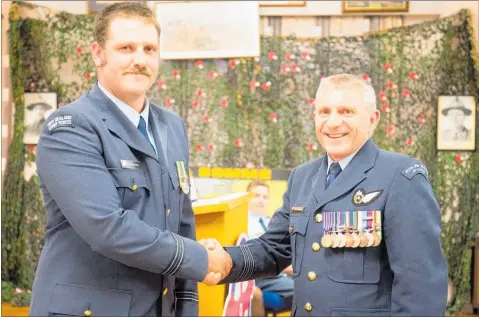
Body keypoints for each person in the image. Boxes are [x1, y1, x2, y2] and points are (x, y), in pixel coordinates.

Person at [30, 2, 230, 316]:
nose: (140, 60)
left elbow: (182, 224)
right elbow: (108, 228)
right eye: (126, 48)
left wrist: (187, 306)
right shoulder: (70, 127)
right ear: (98, 53)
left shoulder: (171, 127)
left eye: (149, 49)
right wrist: (201, 259)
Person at [203, 74, 448, 315]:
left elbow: (421, 287)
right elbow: (272, 249)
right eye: (324, 112)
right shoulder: (302, 177)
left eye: (346, 112)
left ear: (372, 120)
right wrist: (226, 259)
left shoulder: (401, 177)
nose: (332, 122)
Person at [246, 180, 293, 316]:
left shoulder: (270, 222)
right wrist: (290, 269)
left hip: (278, 275)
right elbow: (257, 257)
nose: (261, 200)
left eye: (265, 197)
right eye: (256, 195)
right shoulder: (243, 224)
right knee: (309, 290)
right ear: (247, 197)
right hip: (259, 276)